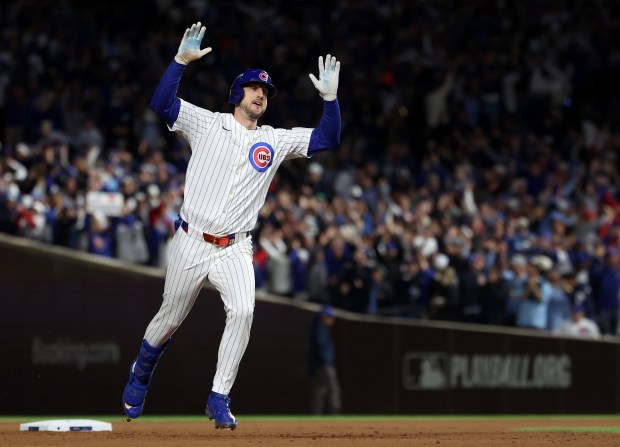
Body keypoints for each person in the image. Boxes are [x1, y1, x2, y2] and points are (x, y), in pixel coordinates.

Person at [122, 22, 341, 429]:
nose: (261, 94)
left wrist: (330, 99)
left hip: (235, 246)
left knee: (242, 310)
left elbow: (327, 138)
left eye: (267, 91)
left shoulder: (274, 140)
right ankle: (141, 371)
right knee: (170, 317)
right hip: (191, 239)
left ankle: (219, 397)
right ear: (237, 94)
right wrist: (178, 62)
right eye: (255, 88)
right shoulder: (209, 123)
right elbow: (162, 103)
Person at [308, 304, 341, 414]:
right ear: (325, 316)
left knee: (319, 391)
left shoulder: (318, 327)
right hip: (324, 364)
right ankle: (335, 413)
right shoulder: (321, 327)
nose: (332, 320)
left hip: (318, 365)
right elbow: (320, 345)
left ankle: (316, 416)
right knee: (333, 389)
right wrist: (326, 361)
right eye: (330, 317)